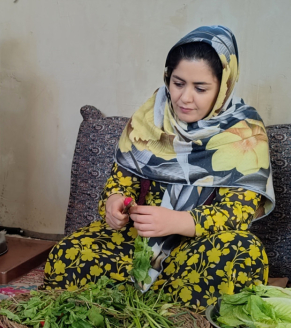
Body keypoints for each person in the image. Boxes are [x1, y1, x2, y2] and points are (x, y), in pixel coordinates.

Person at [44, 26, 274, 311]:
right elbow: (119, 186)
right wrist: (115, 204)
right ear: (167, 77)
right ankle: (138, 313)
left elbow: (238, 213)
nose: (185, 98)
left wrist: (177, 222)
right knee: (71, 252)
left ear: (224, 86)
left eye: (200, 88)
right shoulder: (148, 120)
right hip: (137, 244)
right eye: (178, 83)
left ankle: (169, 318)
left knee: (243, 253)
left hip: (199, 247)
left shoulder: (245, 131)